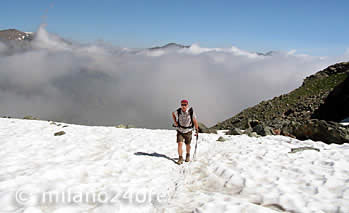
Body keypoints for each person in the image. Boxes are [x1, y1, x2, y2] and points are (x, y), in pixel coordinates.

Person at [172, 99, 199, 164]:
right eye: (182, 105)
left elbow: (195, 121)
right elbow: (173, 114)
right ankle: (180, 158)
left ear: (187, 105)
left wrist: (197, 130)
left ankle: (188, 155)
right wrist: (175, 122)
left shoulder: (191, 112)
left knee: (187, 145)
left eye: (185, 105)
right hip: (180, 130)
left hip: (188, 131)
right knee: (180, 144)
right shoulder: (178, 111)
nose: (183, 106)